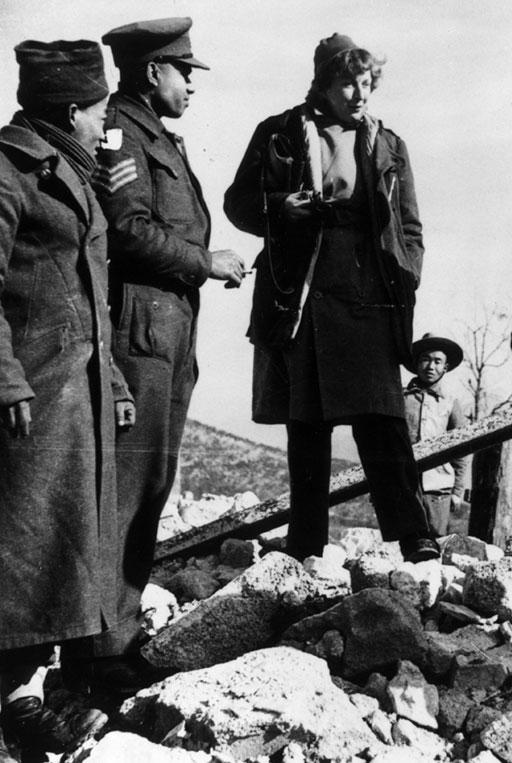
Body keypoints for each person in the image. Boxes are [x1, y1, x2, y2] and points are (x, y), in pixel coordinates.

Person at [224, 33, 438, 563]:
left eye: (367, 82)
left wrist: (406, 271)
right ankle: (306, 546)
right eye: (347, 82)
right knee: (309, 423)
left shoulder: (387, 142)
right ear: (322, 82)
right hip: (305, 287)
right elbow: (237, 204)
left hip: (369, 289)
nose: (360, 94)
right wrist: (278, 207)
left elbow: (409, 225)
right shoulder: (278, 132)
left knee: (382, 418)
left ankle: (416, 540)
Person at [83, 17, 245, 694]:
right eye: (185, 72)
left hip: (168, 334)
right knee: (126, 489)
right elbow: (128, 230)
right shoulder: (122, 131)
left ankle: (113, 633)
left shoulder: (157, 135)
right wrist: (206, 262)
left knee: (150, 485)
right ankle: (97, 650)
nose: (192, 87)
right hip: (140, 333)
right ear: (153, 71)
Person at [0, 40, 135, 759]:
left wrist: (111, 379)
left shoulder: (77, 176)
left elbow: (92, 298)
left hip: (75, 395)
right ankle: (14, 703)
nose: (106, 122)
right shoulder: (8, 171)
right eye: (101, 109)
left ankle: (36, 689)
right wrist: (5, 378)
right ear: (72, 109)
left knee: (63, 547)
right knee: (22, 548)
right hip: (31, 394)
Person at [404, 333, 468, 537]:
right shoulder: (400, 398)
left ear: (445, 367)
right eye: (425, 359)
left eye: (437, 361)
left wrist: (458, 491)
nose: (430, 366)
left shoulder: (450, 403)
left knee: (437, 540)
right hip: (404, 484)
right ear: (416, 363)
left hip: (438, 488)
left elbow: (461, 450)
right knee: (406, 540)